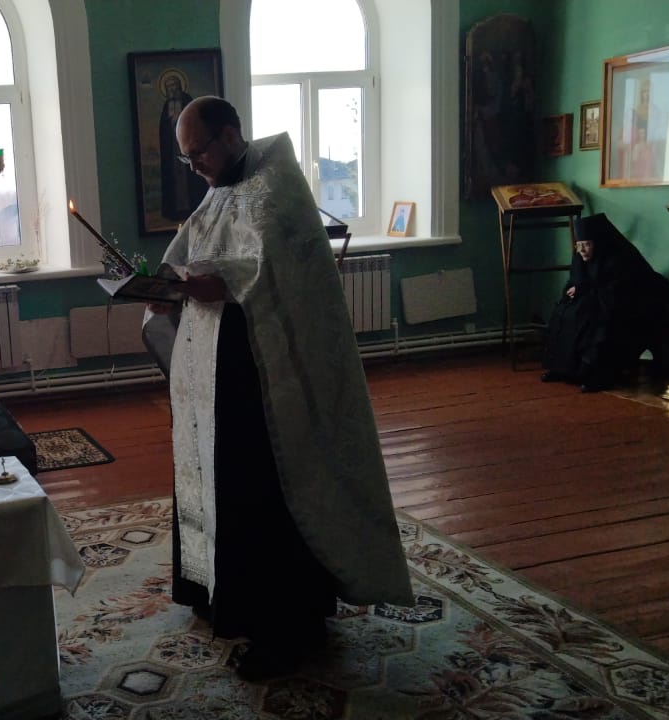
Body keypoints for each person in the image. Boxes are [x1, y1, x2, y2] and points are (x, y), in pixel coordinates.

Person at [142, 96, 414, 682]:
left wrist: (224, 287)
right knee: (220, 481)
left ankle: (285, 627)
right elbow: (189, 255)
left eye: (199, 152)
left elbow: (285, 277)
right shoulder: (219, 191)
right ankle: (218, 592)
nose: (195, 166)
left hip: (267, 378)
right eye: (186, 158)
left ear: (230, 133)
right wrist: (165, 287)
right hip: (215, 369)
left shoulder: (276, 188)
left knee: (260, 492)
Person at [542, 213, 669, 392]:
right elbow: (575, 281)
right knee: (564, 312)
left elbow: (620, 292)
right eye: (579, 245)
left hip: (634, 304)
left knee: (595, 321)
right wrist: (573, 291)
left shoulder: (619, 258)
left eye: (587, 244)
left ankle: (596, 375)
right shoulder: (580, 256)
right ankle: (563, 369)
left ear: (599, 243)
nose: (582, 250)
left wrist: (585, 290)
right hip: (597, 300)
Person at [157, 72, 208, 222]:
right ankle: (175, 211)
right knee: (174, 181)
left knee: (190, 179)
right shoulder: (167, 105)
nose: (171, 89)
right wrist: (169, 123)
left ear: (179, 86)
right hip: (173, 150)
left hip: (188, 149)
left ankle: (193, 208)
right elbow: (163, 128)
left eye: (174, 86)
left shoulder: (188, 101)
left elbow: (196, 122)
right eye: (168, 87)